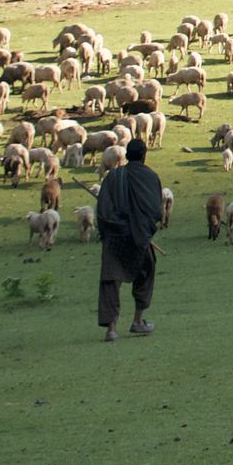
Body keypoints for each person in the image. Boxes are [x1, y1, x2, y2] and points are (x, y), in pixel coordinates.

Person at [93, 137, 164, 342]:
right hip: (139, 238)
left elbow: (103, 208)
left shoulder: (112, 176)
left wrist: (110, 228)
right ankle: (137, 321)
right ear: (144, 155)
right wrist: (143, 229)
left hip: (115, 237)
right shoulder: (151, 177)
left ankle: (111, 330)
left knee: (110, 279)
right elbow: (155, 211)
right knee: (146, 272)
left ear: (126, 155)